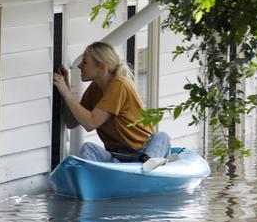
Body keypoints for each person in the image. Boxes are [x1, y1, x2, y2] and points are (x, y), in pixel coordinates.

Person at [53, 41, 176, 172]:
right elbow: (71, 122)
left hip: (143, 151)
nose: (79, 66)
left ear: (101, 67)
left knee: (162, 136)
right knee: (88, 148)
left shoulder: (119, 84)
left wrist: (66, 93)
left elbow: (91, 123)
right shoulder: (95, 88)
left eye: (85, 62)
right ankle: (138, 171)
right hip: (118, 157)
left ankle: (149, 165)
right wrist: (66, 89)